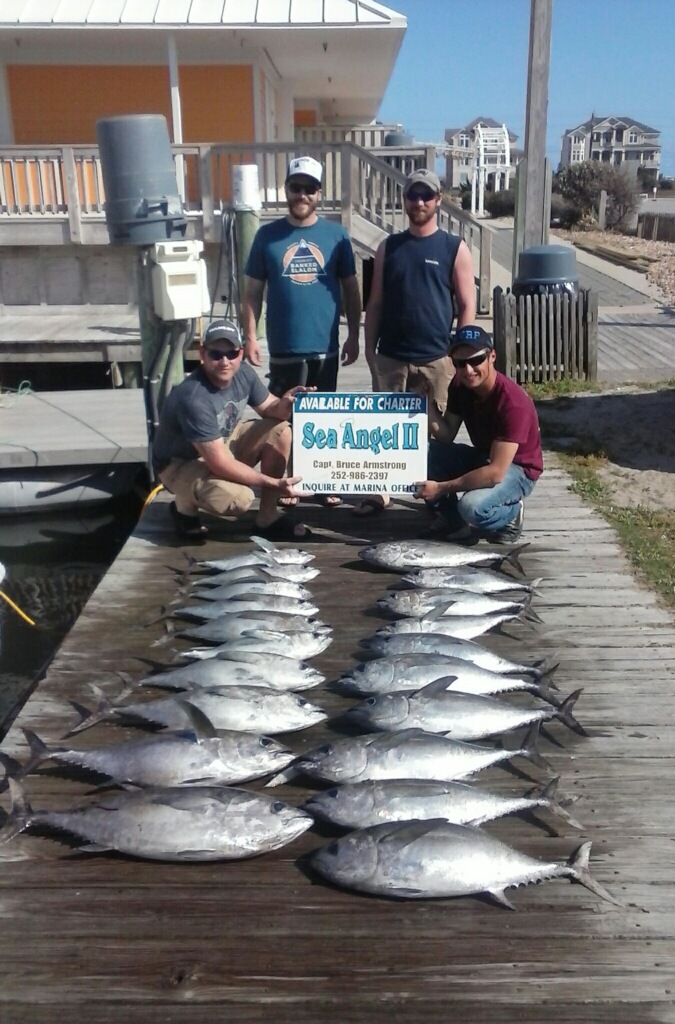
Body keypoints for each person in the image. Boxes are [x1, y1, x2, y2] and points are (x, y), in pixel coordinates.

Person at [241, 154, 362, 507]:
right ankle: (287, 484)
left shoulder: (337, 235)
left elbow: (351, 289)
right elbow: (252, 292)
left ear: (319, 193)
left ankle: (323, 481)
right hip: (283, 348)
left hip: (324, 346)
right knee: (285, 418)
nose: (302, 194)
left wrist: (354, 334)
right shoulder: (266, 236)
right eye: (297, 187)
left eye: (310, 188)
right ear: (287, 190)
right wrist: (250, 335)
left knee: (324, 418)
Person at [355, 167, 476, 516]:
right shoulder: (387, 247)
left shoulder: (455, 247)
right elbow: (374, 303)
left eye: (426, 195)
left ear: (438, 200)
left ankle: (433, 493)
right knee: (385, 431)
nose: (419, 201)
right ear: (405, 200)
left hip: (437, 359)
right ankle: (381, 492)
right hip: (391, 357)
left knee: (439, 432)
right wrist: (368, 349)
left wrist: (460, 356)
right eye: (413, 195)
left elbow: (467, 305)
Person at [152, 318, 311, 541]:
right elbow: (218, 462)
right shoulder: (194, 398)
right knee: (240, 499)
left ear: (241, 353)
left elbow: (271, 409)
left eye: (232, 354)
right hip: (179, 463)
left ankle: (267, 518)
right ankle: (183, 507)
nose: (225, 361)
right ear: (202, 354)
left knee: (281, 430)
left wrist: (285, 403)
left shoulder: (243, 373)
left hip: (219, 443)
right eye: (216, 354)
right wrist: (274, 483)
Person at [413, 324, 543, 544]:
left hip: (518, 469)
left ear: (492, 356)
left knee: (471, 507)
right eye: (460, 363)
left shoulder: (513, 403)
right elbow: (446, 436)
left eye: (476, 360)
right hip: (484, 457)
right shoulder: (460, 385)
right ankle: (453, 520)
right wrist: (428, 406)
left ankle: (511, 511)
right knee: (419, 453)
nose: (468, 370)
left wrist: (441, 488)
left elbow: (495, 473)